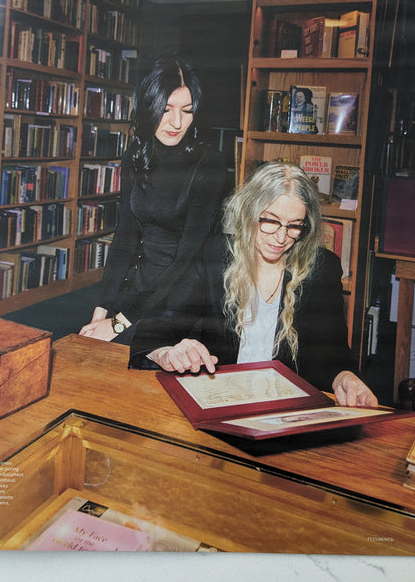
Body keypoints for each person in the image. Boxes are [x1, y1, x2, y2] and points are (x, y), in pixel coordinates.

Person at [132, 161, 377, 408]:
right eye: (270, 221)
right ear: (249, 212)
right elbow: (153, 332)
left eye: (294, 226)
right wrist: (168, 352)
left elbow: (334, 354)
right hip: (219, 403)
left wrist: (345, 377)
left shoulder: (322, 269)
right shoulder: (212, 256)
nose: (281, 237)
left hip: (289, 411)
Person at [79, 55, 227, 344]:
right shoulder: (135, 156)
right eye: (166, 109)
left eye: (187, 111)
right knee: (91, 345)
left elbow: (186, 259)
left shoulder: (209, 164)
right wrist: (101, 311)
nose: (177, 122)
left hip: (185, 292)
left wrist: (118, 324)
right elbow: (124, 238)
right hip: (143, 285)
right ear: (148, 107)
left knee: (131, 347)